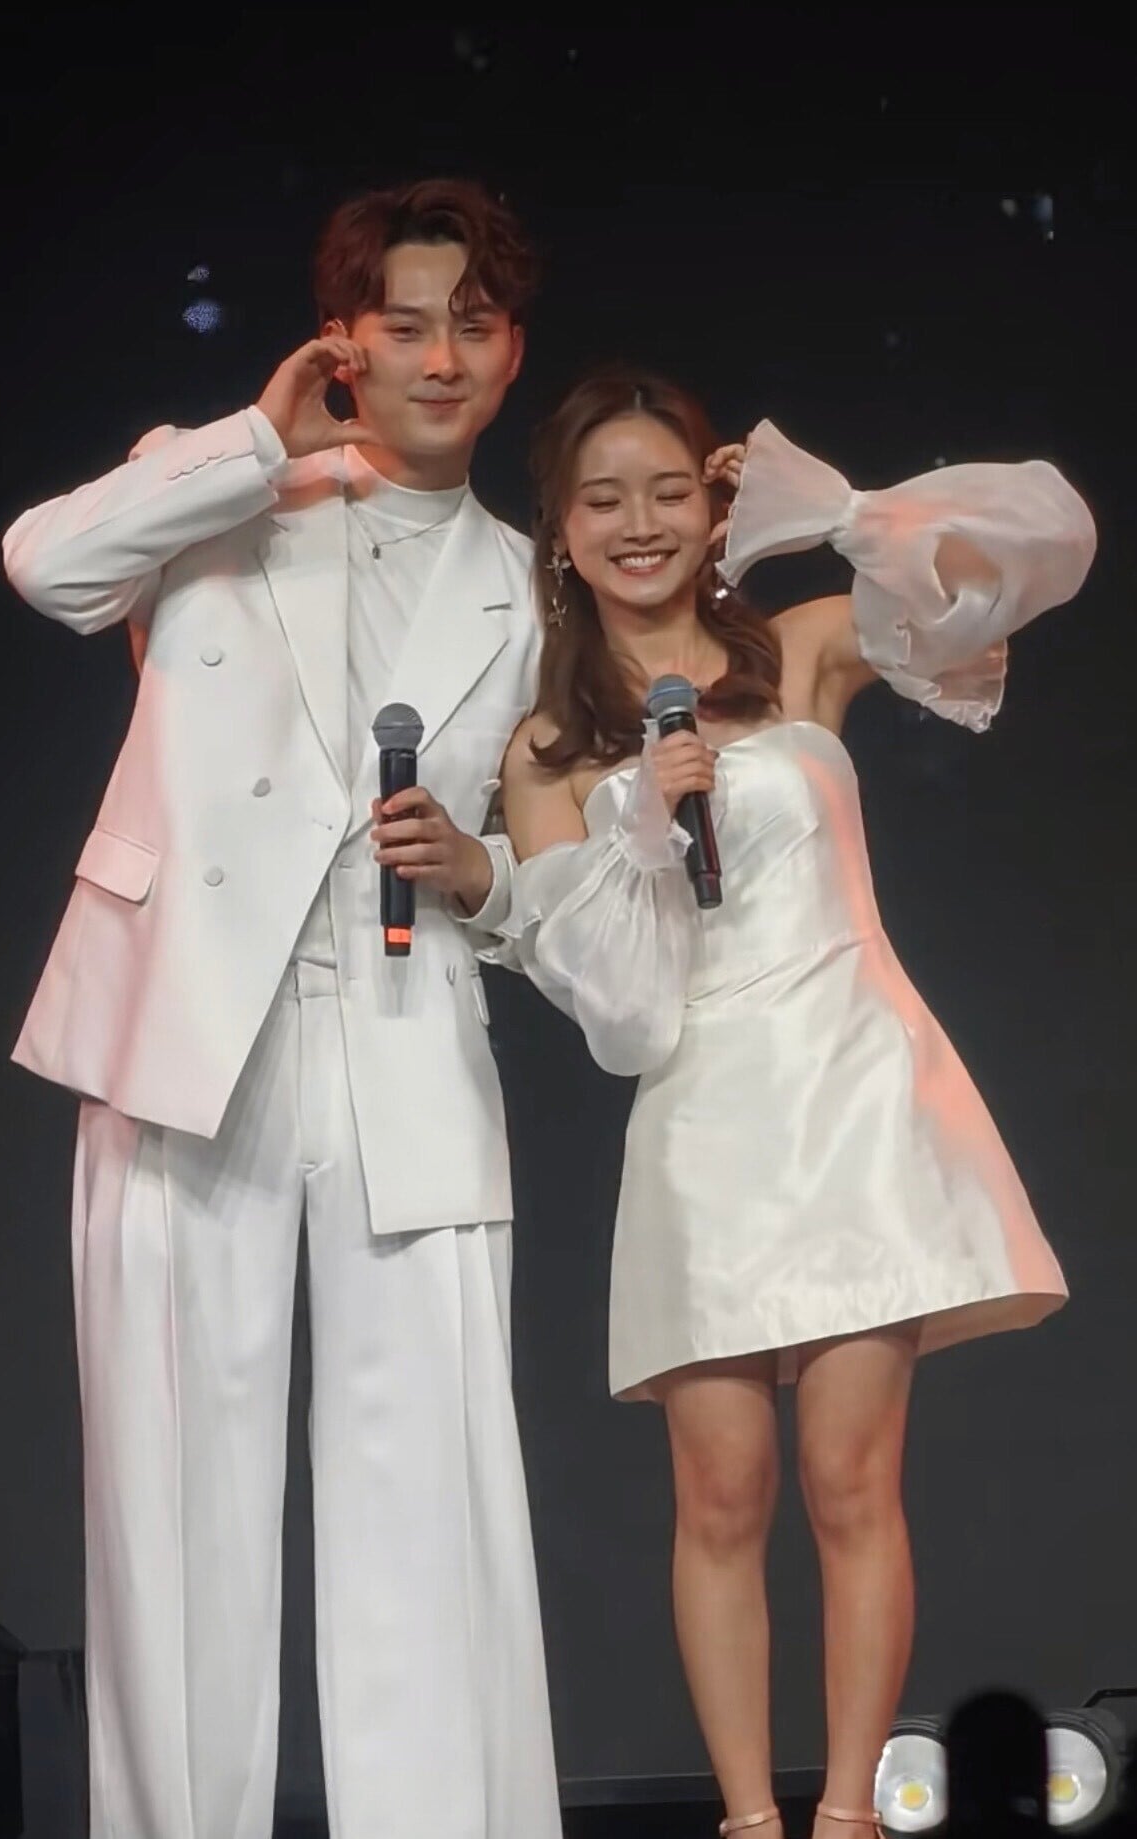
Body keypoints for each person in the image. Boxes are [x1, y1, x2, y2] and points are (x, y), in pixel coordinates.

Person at [1, 178, 562, 1839]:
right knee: (174, 1501)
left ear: (512, 350)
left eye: (473, 324)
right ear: (343, 340)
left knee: (427, 1509)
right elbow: (44, 566)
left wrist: (484, 877)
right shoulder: (224, 493)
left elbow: (556, 884)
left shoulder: (531, 590)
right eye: (406, 323)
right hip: (189, 1033)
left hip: (407, 1033)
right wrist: (255, 437)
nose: (439, 358)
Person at [499, 371, 1095, 1839]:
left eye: (667, 491)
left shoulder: (803, 648)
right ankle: (747, 1822)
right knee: (720, 1494)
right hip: (700, 1109)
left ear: (711, 508)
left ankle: (843, 1817)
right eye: (602, 500)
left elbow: (1036, 546)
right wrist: (641, 823)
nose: (639, 524)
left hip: (852, 1089)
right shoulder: (548, 751)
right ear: (559, 530)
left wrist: (838, 512)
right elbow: (618, 1017)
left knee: (850, 1480)